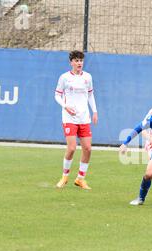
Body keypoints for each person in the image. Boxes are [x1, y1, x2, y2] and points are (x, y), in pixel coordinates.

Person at [54, 50, 98, 190]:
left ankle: (80, 179)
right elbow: (57, 95)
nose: (79, 63)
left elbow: (90, 95)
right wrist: (65, 106)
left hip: (84, 118)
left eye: (81, 60)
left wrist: (95, 111)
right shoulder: (64, 77)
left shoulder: (88, 77)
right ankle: (65, 176)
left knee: (88, 148)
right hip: (69, 117)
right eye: (77, 61)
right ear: (71, 62)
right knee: (72, 148)